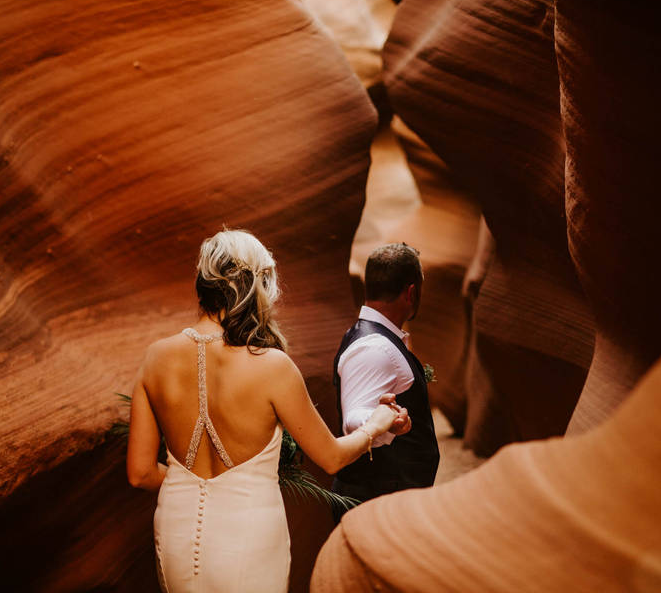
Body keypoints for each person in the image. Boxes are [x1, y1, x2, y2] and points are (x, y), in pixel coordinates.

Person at [126, 229, 408, 593]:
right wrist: (378, 423)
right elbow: (332, 458)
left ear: (203, 285)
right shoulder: (272, 366)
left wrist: (194, 485)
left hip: (177, 531)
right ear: (255, 287)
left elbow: (140, 473)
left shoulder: (155, 359)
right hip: (249, 535)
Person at [331, 243, 440, 521]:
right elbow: (353, 417)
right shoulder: (374, 348)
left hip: (386, 499)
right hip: (377, 505)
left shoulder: (379, 340)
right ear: (411, 292)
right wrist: (386, 419)